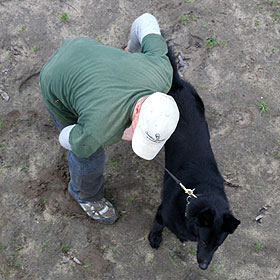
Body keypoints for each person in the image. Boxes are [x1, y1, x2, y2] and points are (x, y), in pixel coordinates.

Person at [40, 13, 180, 224]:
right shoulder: (97, 131)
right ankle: (85, 195)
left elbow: (146, 20)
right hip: (53, 78)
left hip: (81, 46)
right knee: (89, 156)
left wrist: (132, 52)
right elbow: (66, 138)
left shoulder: (161, 71)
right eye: (137, 131)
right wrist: (97, 134)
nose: (133, 136)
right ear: (138, 109)